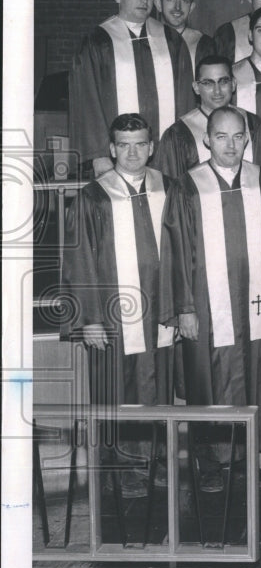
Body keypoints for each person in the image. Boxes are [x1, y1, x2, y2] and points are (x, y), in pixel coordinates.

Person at [159, 106, 261, 492]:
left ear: (247, 139)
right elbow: (176, 250)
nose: (230, 144)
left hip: (253, 300)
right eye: (221, 136)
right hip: (205, 303)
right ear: (207, 139)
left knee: (252, 375)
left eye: (237, 136)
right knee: (204, 380)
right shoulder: (188, 185)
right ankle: (209, 462)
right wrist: (185, 308)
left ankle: (244, 460)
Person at [63, 113, 175, 498]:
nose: (132, 152)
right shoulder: (93, 196)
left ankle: (155, 459)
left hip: (160, 309)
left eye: (140, 144)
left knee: (158, 384)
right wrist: (90, 319)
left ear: (151, 147)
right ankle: (123, 466)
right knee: (116, 387)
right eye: (124, 145)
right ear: (111, 149)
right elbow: (79, 260)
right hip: (113, 314)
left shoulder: (170, 189)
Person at [69, 0, 193, 177]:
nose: (144, 1)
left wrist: (186, 148)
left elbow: (186, 98)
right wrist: (99, 155)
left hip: (168, 155)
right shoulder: (97, 41)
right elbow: (86, 101)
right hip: (118, 155)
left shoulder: (171, 40)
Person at [153, 55, 261, 180]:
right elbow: (169, 186)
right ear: (196, 88)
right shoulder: (179, 134)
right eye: (208, 83)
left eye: (224, 81)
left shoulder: (254, 125)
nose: (217, 91)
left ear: (234, 84)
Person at [155, 0, 216, 81]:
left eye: (184, 1)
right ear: (159, 4)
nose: (177, 7)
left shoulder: (204, 44)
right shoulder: (145, 40)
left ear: (191, 7)